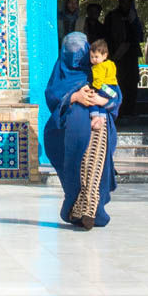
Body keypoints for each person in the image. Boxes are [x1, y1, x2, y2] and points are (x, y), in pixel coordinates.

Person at [42, 31, 120, 229]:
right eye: (71, 50)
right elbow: (52, 96)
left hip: (98, 129)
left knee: (94, 169)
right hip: (72, 137)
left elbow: (114, 91)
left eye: (80, 50)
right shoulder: (60, 72)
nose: (75, 55)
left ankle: (89, 211)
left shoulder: (96, 70)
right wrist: (74, 97)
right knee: (79, 171)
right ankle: (78, 210)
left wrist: (104, 99)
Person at [104, 0, 146, 118]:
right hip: (116, 56)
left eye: (129, 2)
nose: (126, 4)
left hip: (131, 55)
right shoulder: (112, 16)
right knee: (118, 81)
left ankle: (130, 108)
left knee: (132, 82)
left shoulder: (134, 17)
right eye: (124, 1)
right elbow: (107, 34)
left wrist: (133, 21)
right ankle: (118, 108)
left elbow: (139, 36)